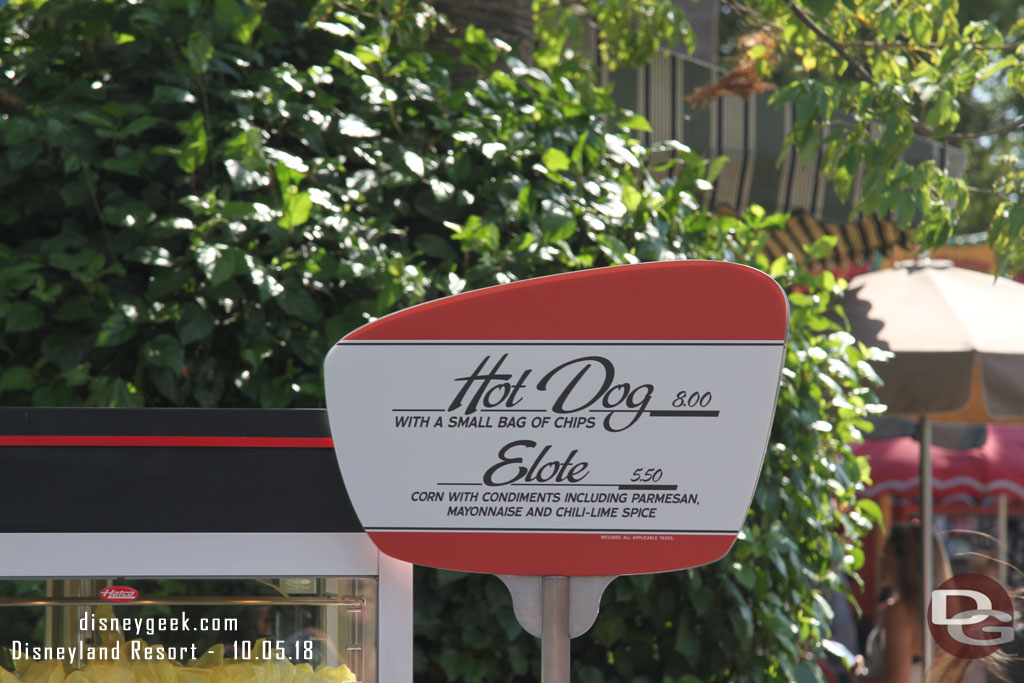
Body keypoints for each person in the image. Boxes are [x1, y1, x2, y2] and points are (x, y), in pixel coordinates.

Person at [855, 522, 953, 683]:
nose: (880, 560)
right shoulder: (938, 611)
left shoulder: (901, 612)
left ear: (900, 558)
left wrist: (859, 677)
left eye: (886, 552)